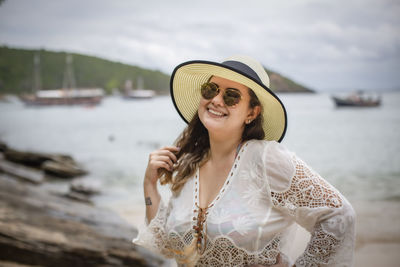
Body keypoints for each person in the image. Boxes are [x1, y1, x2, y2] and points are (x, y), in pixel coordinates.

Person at [133, 55, 356, 267]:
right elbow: (165, 247)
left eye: (231, 96)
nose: (217, 100)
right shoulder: (188, 164)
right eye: (210, 89)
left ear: (252, 112)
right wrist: (149, 185)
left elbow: (338, 215)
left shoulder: (265, 158)